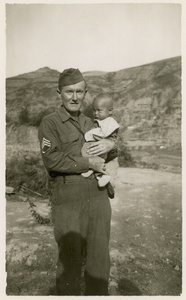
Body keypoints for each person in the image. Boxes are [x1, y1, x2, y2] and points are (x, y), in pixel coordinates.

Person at [38, 68, 118, 295]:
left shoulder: (94, 122)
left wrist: (111, 145)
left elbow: (110, 148)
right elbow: (52, 160)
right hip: (69, 199)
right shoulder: (50, 123)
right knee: (69, 261)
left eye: (79, 92)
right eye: (69, 92)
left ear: (85, 93)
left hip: (99, 198)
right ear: (59, 93)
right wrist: (88, 163)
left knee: (99, 259)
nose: (75, 97)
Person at [81, 93, 119, 189]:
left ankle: (104, 174)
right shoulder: (98, 121)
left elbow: (111, 137)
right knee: (87, 150)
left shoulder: (110, 122)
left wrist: (109, 142)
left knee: (98, 156)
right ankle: (92, 169)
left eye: (99, 110)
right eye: (94, 110)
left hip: (102, 148)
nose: (96, 113)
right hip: (96, 147)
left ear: (110, 111)